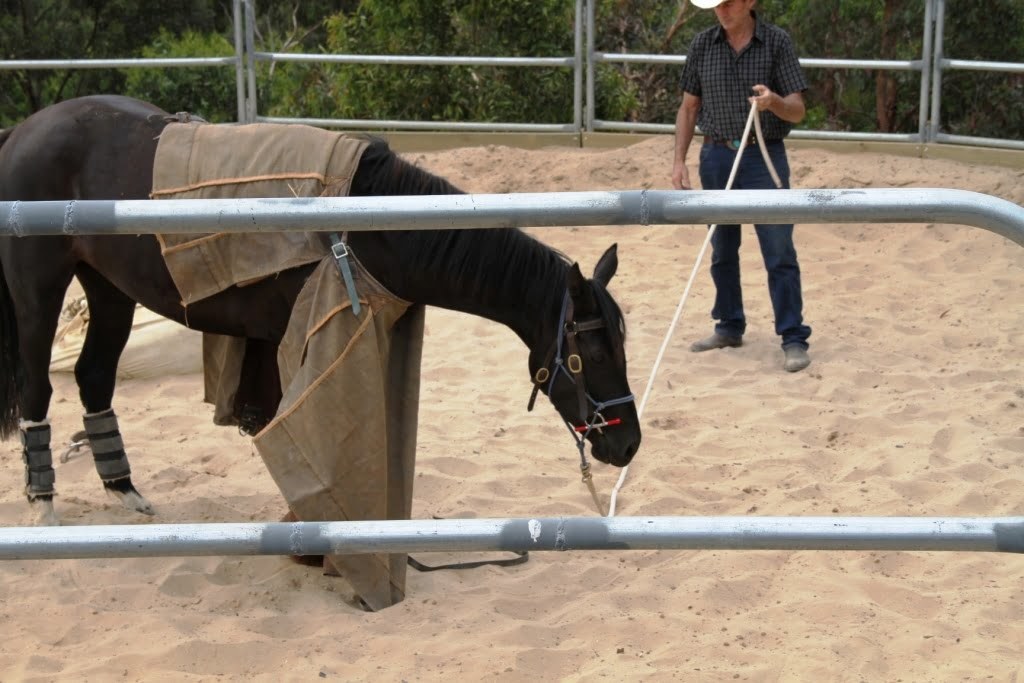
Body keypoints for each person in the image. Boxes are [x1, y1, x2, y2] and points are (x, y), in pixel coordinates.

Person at [672, 0, 812, 373]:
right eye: (716, 3)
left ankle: (793, 336)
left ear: (750, 1)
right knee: (721, 247)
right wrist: (678, 161)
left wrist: (774, 102)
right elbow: (689, 107)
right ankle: (729, 325)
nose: (720, 9)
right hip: (715, 156)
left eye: (728, 1)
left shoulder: (777, 42)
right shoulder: (702, 44)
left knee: (779, 249)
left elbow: (797, 109)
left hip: (763, 156)